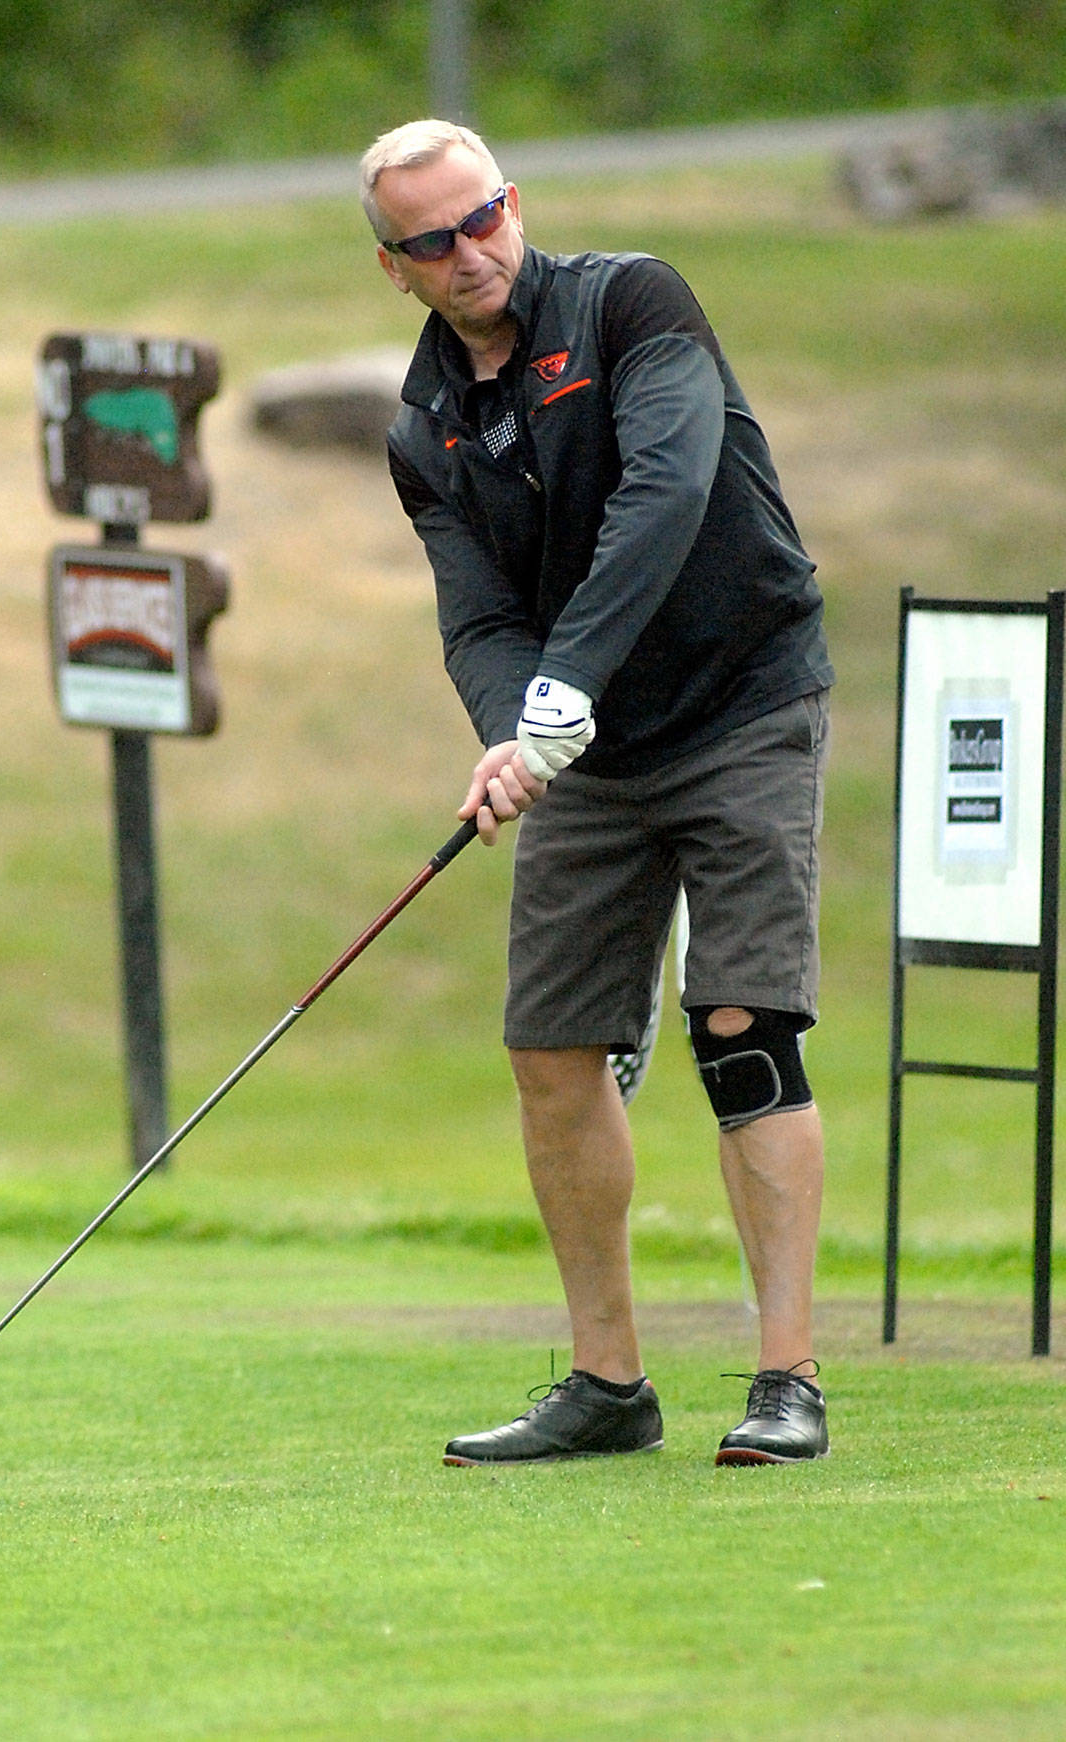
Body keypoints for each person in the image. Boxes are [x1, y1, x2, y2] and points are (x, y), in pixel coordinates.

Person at [359, 120, 834, 1468]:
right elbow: (475, 615)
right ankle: (609, 1382)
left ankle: (787, 1377)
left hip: (743, 700)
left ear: (514, 203)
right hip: (586, 747)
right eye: (435, 240)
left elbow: (667, 488)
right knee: (553, 1047)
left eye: (487, 214)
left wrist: (560, 689)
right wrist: (519, 725)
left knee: (741, 1025)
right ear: (393, 265)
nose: (474, 250)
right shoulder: (422, 424)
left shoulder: (635, 303)